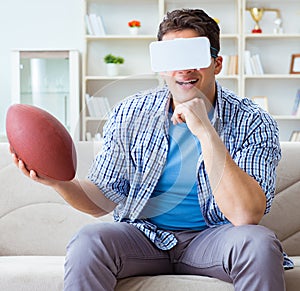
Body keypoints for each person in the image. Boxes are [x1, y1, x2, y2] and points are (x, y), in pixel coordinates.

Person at [12, 8, 293, 291]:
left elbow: (246, 216)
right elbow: (103, 199)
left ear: (217, 63)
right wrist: (59, 183)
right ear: (161, 66)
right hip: (144, 237)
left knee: (259, 243)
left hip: (214, 239)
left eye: (193, 57)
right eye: (173, 59)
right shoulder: (130, 112)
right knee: (88, 241)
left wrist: (206, 132)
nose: (184, 69)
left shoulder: (253, 120)